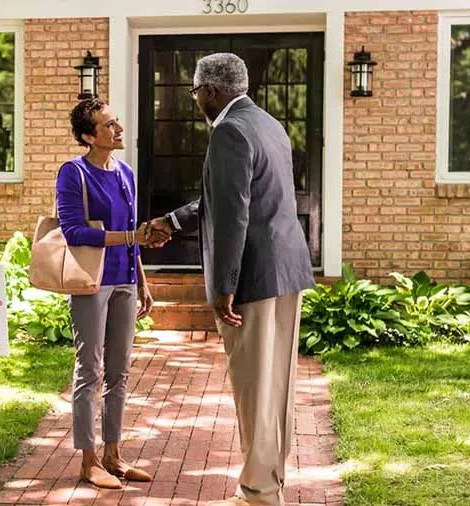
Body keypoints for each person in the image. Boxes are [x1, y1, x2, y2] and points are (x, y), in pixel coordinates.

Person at [146, 53, 315, 506]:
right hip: (287, 270)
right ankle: (269, 484)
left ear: (211, 91)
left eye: (196, 90)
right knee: (275, 386)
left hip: (254, 279)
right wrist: (173, 221)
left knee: (255, 388)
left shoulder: (227, 131)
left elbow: (234, 214)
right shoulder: (268, 124)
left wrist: (225, 286)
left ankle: (258, 494)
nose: (195, 98)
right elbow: (226, 200)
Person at [57, 98, 162, 489]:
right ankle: (88, 461)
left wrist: (142, 280)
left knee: (119, 372)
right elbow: (74, 232)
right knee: (90, 368)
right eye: (108, 125)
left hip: (124, 280)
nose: (118, 129)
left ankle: (113, 455)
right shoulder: (73, 173)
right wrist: (131, 238)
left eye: (117, 122)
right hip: (91, 281)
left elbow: (133, 234)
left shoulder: (125, 173)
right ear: (89, 136)